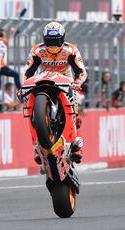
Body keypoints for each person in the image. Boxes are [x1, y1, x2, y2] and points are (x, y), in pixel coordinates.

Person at [23, 22, 88, 164]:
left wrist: (78, 82)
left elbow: (81, 71)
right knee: (28, 104)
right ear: (44, 39)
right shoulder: (37, 50)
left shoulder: (71, 50)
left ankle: (76, 144)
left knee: (75, 111)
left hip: (65, 82)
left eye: (56, 41)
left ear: (62, 38)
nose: (53, 45)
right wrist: (24, 86)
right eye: (50, 41)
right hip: (43, 81)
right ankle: (36, 146)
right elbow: (28, 72)